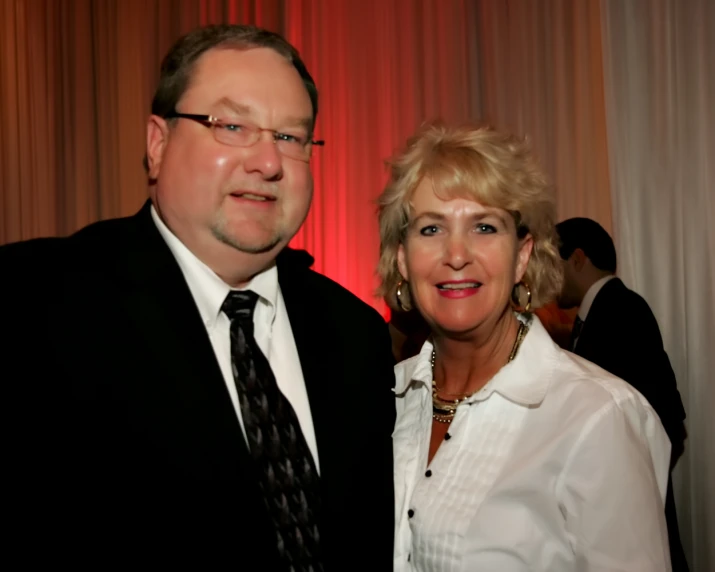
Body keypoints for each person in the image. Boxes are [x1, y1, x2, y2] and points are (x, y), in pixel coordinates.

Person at [2, 25, 395, 569]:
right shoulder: (31, 302)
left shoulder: (356, 334)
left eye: (290, 137)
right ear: (157, 144)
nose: (268, 162)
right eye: (232, 126)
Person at [377, 121, 673, 571]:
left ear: (521, 255)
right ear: (402, 257)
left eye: (484, 227)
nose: (456, 254)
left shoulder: (596, 417)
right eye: (431, 230)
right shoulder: (379, 399)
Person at [556, 216, 689, 571]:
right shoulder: (600, 314)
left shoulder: (622, 309)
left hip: (626, 507)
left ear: (578, 258)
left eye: (552, 262)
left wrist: (632, 484)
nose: (547, 278)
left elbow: (666, 413)